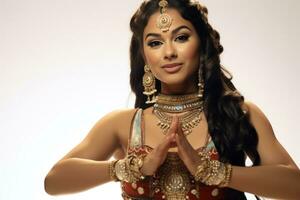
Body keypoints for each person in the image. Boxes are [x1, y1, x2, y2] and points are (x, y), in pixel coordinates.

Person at [44, 0, 300, 199]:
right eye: (155, 43)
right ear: (144, 56)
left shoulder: (238, 113)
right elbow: (54, 181)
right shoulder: (122, 124)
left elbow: (295, 187)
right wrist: (128, 168)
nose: (168, 52)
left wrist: (214, 172)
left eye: (181, 38)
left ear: (202, 44)